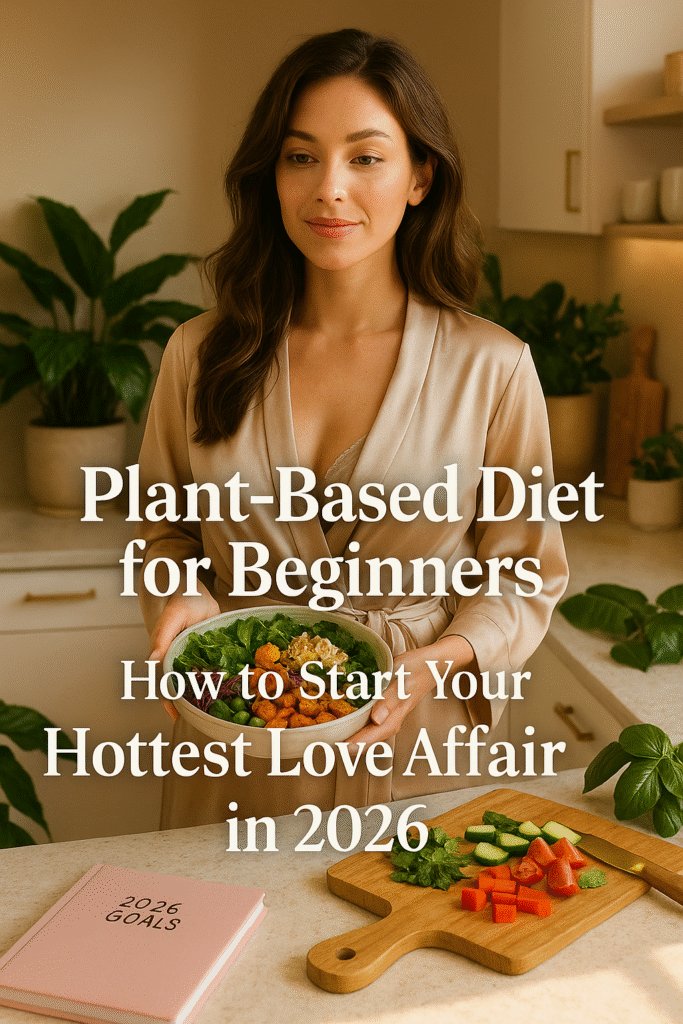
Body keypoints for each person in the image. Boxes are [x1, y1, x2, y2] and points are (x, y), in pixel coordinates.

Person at [136, 27, 569, 828]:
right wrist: (182, 598)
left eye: (365, 157)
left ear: (418, 177)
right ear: (270, 175)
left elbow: (523, 573)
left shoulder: (494, 366)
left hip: (421, 753)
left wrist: (441, 659)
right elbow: (164, 534)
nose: (328, 188)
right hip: (240, 738)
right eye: (301, 157)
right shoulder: (196, 354)